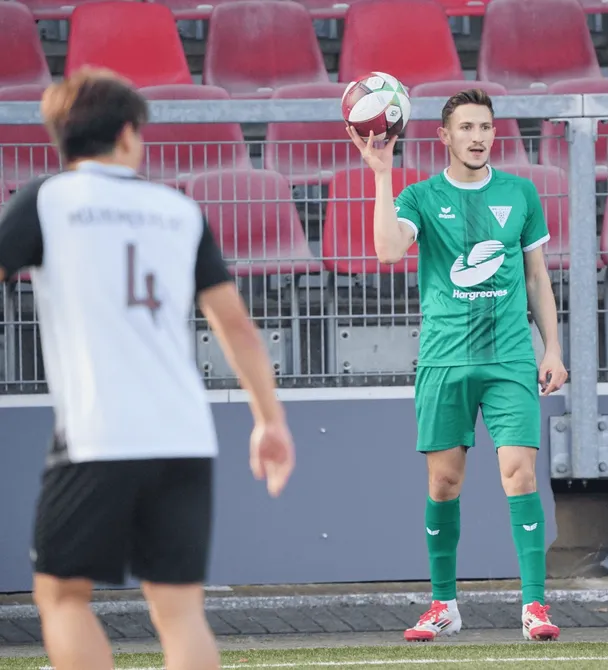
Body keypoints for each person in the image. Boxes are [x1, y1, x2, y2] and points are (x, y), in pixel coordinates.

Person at [0, 68, 296, 670]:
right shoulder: (177, 208)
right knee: (179, 610)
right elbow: (236, 325)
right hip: (184, 434)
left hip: (97, 434)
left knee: (61, 596)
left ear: (62, 135)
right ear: (130, 134)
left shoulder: (46, 199)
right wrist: (270, 421)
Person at [347, 88, 568, 642]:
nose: (478, 137)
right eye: (466, 128)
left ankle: (535, 606)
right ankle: (444, 605)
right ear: (444, 136)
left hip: (510, 357)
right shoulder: (420, 196)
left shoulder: (520, 193)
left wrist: (554, 349)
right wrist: (380, 175)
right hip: (445, 360)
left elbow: (538, 278)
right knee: (443, 484)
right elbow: (388, 252)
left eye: (486, 128)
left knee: (519, 472)